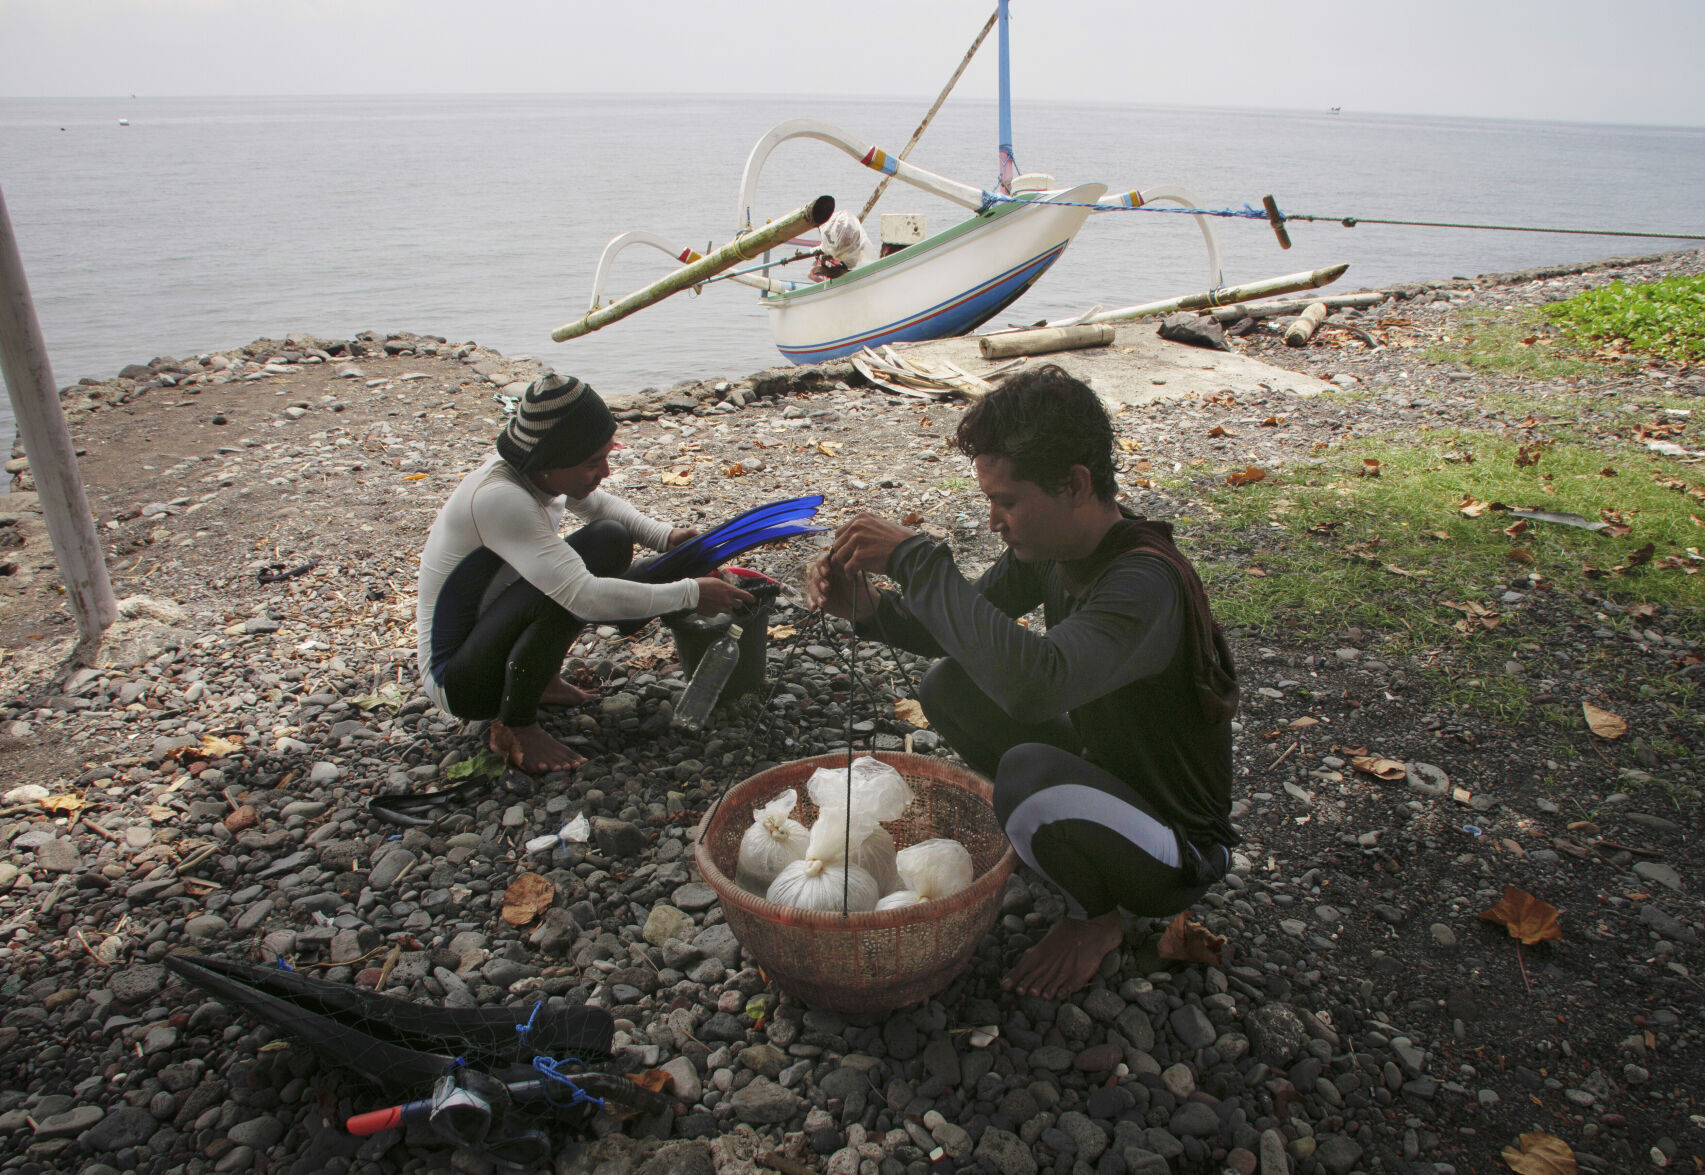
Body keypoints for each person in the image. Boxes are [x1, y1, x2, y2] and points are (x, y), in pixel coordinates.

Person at [807, 365, 1239, 999]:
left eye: (1006, 501)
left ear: (1075, 484)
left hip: (1177, 850)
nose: (994, 521)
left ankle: (1094, 920)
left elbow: (1037, 686)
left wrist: (914, 558)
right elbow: (959, 631)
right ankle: (1062, 835)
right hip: (1107, 776)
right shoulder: (1056, 552)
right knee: (949, 685)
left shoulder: (1144, 584)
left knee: (1027, 777)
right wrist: (868, 609)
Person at [416, 373, 752, 773]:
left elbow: (600, 507)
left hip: (487, 640)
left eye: (606, 456)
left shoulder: (537, 475)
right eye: (593, 463)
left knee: (609, 538)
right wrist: (691, 594)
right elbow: (585, 597)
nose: (605, 471)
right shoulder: (499, 498)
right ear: (548, 462)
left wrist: (666, 536)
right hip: (459, 682)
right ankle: (516, 725)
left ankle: (539, 681)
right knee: (565, 591)